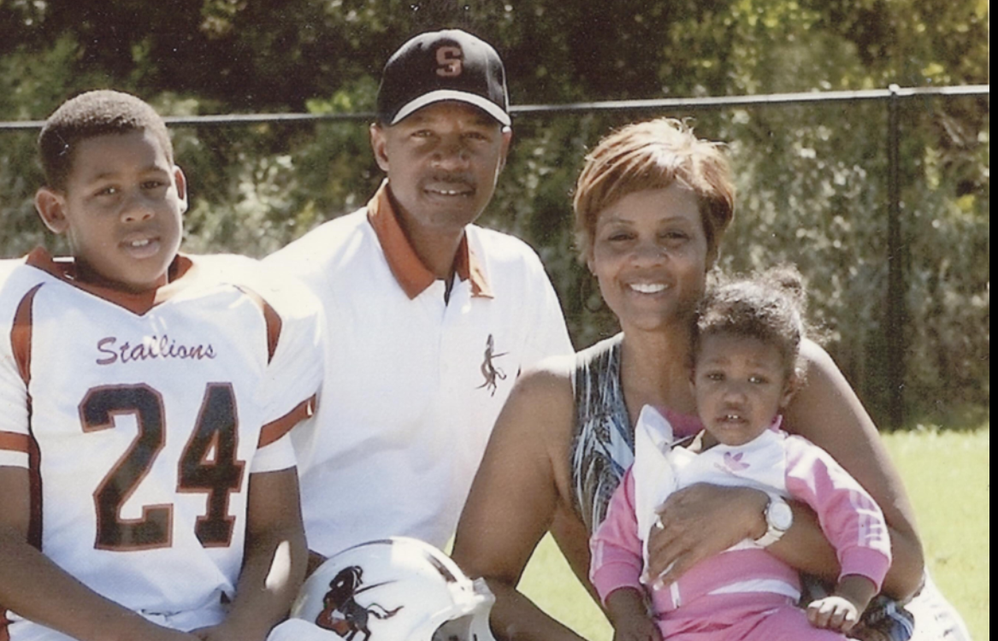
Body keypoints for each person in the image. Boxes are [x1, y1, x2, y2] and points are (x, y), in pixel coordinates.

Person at [452, 118, 972, 641]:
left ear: (711, 246)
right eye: (620, 236)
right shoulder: (556, 400)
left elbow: (904, 566)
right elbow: (476, 583)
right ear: (589, 251)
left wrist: (759, 517)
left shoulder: (789, 370)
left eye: (674, 235)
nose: (647, 257)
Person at [0, 90, 322, 641]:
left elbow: (279, 527)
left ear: (181, 187)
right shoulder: (13, 316)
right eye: (106, 192)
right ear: (55, 210)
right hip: (65, 629)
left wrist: (243, 629)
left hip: (218, 623)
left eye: (152, 185)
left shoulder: (250, 310)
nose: (138, 207)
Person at [264, 29, 572, 569]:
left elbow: (564, 465)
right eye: (423, 135)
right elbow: (240, 508)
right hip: (305, 600)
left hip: (441, 594)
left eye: (474, 137)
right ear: (382, 146)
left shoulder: (517, 272)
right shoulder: (300, 284)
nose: (450, 160)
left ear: (503, 148)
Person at [590, 267, 892, 641]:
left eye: (756, 380)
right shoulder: (655, 465)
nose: (734, 395)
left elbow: (860, 519)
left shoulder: (786, 457)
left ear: (786, 389)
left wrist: (851, 597)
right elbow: (612, 548)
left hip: (770, 624)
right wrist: (628, 616)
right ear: (693, 379)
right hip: (678, 631)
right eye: (717, 376)